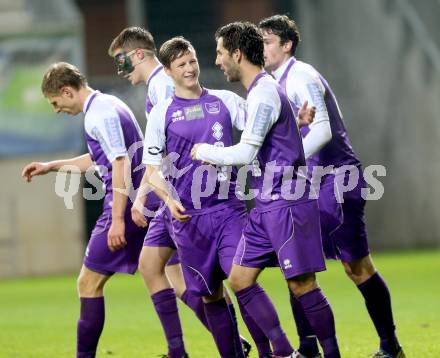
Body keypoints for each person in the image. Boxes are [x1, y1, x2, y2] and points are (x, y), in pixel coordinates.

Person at [191, 22, 341, 358]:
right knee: (240, 278)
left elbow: (244, 153)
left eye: (220, 52)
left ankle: (331, 353)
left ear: (238, 54)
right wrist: (296, 125)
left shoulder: (263, 93)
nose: (217, 61)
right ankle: (282, 350)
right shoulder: (261, 91)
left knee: (302, 285)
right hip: (265, 205)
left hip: (287, 202)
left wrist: (204, 151)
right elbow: (267, 136)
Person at [259, 14, 405, 358]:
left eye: (266, 42)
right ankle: (308, 347)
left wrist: (288, 161)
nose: (261, 49)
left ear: (286, 45)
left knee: (357, 267)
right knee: (296, 263)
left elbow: (322, 131)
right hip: (309, 183)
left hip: (336, 180)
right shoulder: (275, 83)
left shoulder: (302, 77)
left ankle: (390, 345)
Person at [108, 27, 252, 357]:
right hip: (175, 193)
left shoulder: (164, 85)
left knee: (192, 275)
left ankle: (216, 343)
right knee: (157, 267)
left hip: (184, 196)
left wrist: (144, 194)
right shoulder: (158, 86)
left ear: (138, 55)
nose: (121, 70)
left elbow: (165, 154)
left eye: (122, 62)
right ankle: (223, 341)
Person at [21, 62, 154, 358]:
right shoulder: (109, 104)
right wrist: (51, 167)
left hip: (125, 206)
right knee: (171, 278)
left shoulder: (99, 114)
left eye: (56, 103)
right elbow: (102, 159)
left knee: (88, 282)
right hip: (144, 201)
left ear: (67, 91)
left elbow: (120, 162)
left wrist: (117, 220)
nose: (57, 109)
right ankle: (230, 341)